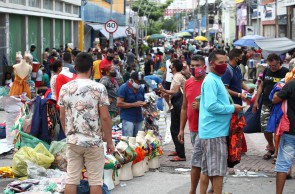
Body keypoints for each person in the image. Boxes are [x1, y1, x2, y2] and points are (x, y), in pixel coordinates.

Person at [59, 52, 114, 194]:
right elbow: (106, 118)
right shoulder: (99, 88)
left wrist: (69, 135)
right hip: (93, 142)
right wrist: (109, 141)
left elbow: (62, 116)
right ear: (91, 68)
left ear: (75, 67)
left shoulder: (65, 88)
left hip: (73, 141)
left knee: (72, 179)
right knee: (95, 181)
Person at [198, 50, 244, 194]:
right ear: (211, 64)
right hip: (214, 133)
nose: (224, 65)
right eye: (220, 62)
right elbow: (211, 106)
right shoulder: (211, 80)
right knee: (217, 172)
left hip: (212, 131)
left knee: (207, 170)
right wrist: (232, 108)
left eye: (225, 62)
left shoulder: (216, 78)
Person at [177, 55, 208, 194]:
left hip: (207, 129)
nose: (194, 68)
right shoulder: (187, 83)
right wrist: (181, 129)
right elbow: (184, 107)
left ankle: (192, 191)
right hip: (193, 128)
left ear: (204, 67)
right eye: (192, 65)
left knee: (197, 162)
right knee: (202, 161)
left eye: (198, 65)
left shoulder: (209, 82)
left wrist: (202, 106)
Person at [252, 53, 289, 161]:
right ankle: (271, 146)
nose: (272, 68)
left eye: (274, 66)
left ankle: (277, 152)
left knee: (278, 129)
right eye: (270, 65)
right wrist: (256, 101)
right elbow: (261, 86)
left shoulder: (285, 72)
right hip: (266, 103)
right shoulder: (266, 70)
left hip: (279, 105)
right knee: (265, 127)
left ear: (279, 62)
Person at [159, 59, 186, 161]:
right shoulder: (177, 76)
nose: (170, 67)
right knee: (174, 129)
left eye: (171, 66)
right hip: (177, 104)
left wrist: (163, 90)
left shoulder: (177, 76)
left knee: (176, 130)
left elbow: (174, 91)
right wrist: (165, 93)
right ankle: (178, 150)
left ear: (174, 67)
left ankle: (181, 154)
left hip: (179, 105)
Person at [272, 71, 295, 194]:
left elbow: (275, 99)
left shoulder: (291, 84)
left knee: (283, 165)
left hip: (291, 130)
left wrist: (276, 91)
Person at [117, 71, 146, 137]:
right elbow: (119, 103)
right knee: (128, 139)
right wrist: (134, 104)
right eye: (138, 82)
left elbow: (142, 101)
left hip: (139, 117)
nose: (139, 84)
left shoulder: (141, 89)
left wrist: (145, 106)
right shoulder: (123, 88)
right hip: (128, 118)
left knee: (139, 139)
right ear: (132, 80)